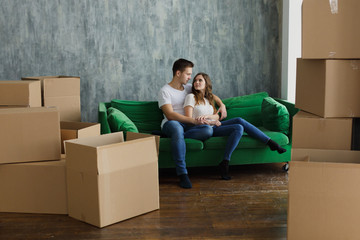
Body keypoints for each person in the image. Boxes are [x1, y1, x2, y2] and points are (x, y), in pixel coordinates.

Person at [183, 72, 286, 180]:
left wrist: (216, 111)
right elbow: (189, 120)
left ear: (206, 83)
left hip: (213, 127)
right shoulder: (191, 97)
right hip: (200, 129)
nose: (196, 82)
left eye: (200, 80)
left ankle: (226, 161)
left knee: (239, 124)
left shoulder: (209, 99)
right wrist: (210, 121)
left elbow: (217, 116)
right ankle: (270, 143)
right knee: (235, 125)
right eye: (195, 80)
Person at [158, 59, 227, 189]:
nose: (191, 78)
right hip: (172, 123)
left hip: (188, 126)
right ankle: (183, 174)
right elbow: (170, 114)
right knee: (177, 130)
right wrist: (194, 121)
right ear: (178, 73)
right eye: (188, 74)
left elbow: (210, 94)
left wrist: (222, 105)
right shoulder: (165, 91)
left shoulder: (188, 87)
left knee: (207, 130)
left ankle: (176, 138)